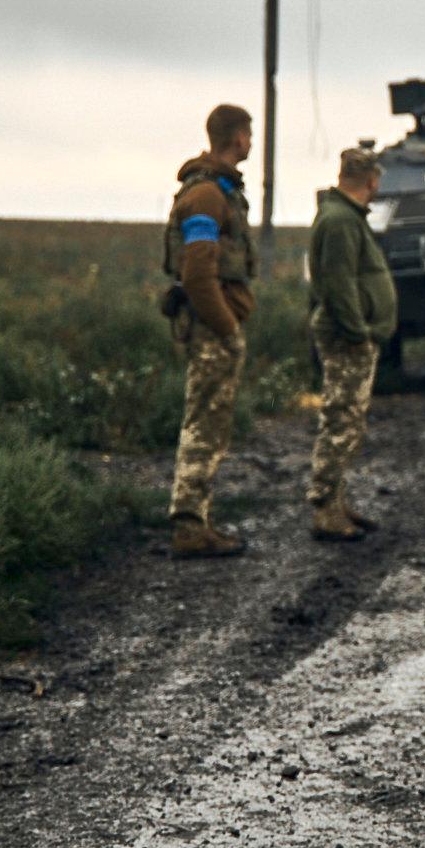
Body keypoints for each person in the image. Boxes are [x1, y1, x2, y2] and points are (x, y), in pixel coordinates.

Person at [163, 103, 257, 559]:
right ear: (237, 137)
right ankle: (188, 526)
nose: (251, 142)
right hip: (211, 331)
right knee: (203, 425)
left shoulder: (218, 192)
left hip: (214, 327)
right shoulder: (206, 197)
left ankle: (198, 521)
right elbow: (199, 275)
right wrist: (226, 329)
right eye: (248, 134)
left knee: (212, 425)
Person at [305, 147, 398, 542]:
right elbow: (339, 284)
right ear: (372, 181)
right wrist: (358, 330)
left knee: (348, 421)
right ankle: (326, 507)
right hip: (347, 337)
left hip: (352, 333)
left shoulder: (344, 216)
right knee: (341, 420)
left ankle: (337, 502)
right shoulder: (342, 221)